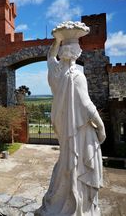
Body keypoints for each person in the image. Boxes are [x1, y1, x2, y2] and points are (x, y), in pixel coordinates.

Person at [35, 23, 106, 216]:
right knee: (79, 167)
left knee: (66, 167)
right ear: (77, 52)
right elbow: (86, 105)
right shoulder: (77, 76)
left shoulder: (57, 73)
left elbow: (50, 57)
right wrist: (101, 127)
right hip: (80, 132)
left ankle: (60, 204)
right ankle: (78, 207)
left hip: (67, 133)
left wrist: (57, 41)